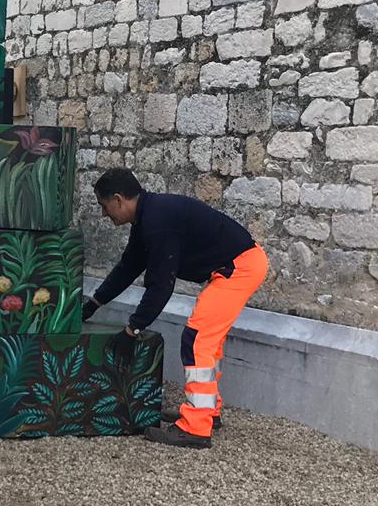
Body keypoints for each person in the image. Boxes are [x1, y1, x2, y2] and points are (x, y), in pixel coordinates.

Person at [82, 169, 269, 449]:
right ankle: (207, 410)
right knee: (208, 342)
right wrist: (93, 305)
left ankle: (195, 427)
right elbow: (127, 268)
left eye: (103, 206)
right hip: (240, 265)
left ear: (118, 200)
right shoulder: (148, 218)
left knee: (196, 341)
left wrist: (133, 328)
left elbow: (161, 286)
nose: (103, 214)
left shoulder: (158, 222)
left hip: (238, 268)